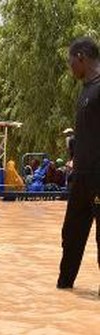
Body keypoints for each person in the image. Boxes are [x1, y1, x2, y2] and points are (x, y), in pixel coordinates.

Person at [57, 37, 100, 289]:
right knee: (70, 236)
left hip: (99, 177)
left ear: (81, 57)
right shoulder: (86, 90)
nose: (70, 66)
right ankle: (63, 288)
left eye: (70, 60)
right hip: (81, 179)